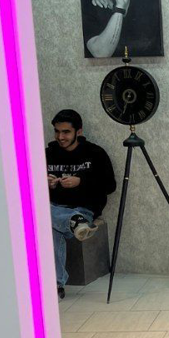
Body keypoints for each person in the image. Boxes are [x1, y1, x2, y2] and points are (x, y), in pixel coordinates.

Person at [46, 109, 116, 298]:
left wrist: (81, 181)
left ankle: (56, 286)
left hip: (83, 210)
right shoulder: (47, 154)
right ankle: (73, 222)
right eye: (57, 131)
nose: (60, 137)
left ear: (79, 131)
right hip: (55, 209)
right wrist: (44, 183)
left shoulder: (95, 153)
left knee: (46, 222)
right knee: (44, 216)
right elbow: (26, 185)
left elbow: (110, 186)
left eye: (66, 132)